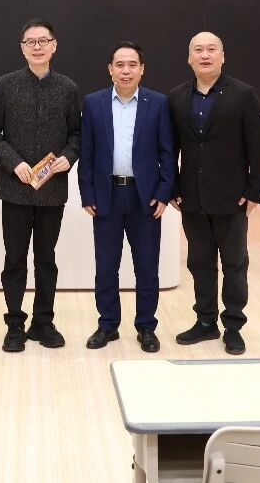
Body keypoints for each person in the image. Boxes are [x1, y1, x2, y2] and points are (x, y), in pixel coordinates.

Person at [0, 19, 82, 352]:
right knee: (14, 259)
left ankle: (44, 322)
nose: (37, 47)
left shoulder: (68, 88)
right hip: (15, 190)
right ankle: (14, 323)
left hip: (52, 191)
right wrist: (15, 163)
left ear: (54, 45)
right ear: (22, 48)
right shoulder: (5, 85)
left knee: (46, 259)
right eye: (30, 42)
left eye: (43, 41)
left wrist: (68, 156)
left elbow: (76, 134)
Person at [167, 31, 260, 355]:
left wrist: (255, 190)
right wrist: (172, 187)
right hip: (191, 197)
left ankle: (234, 326)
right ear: (189, 58)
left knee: (234, 263)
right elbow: (170, 148)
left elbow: (258, 146)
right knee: (200, 263)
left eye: (211, 49)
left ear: (222, 56)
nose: (205, 55)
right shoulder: (176, 97)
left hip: (232, 197)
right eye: (198, 50)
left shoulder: (244, 95)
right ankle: (206, 321)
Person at [78, 41, 176, 353]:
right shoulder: (93, 103)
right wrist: (87, 193)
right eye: (120, 65)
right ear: (110, 69)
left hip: (144, 198)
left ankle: (146, 326)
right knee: (106, 266)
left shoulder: (157, 103)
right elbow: (86, 153)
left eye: (132, 64)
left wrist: (164, 193)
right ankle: (108, 325)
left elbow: (167, 153)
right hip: (105, 195)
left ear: (142, 69)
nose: (126, 70)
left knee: (146, 266)